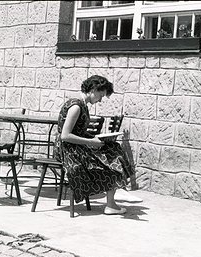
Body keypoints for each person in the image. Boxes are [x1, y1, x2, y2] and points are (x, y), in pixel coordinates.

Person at [54, 75, 140, 215]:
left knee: (114, 149)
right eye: (100, 95)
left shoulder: (83, 105)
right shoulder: (76, 106)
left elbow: (78, 131)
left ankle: (112, 202)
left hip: (75, 147)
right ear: (93, 89)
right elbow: (65, 136)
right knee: (113, 158)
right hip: (68, 151)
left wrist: (97, 138)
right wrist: (90, 142)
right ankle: (111, 203)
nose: (100, 100)